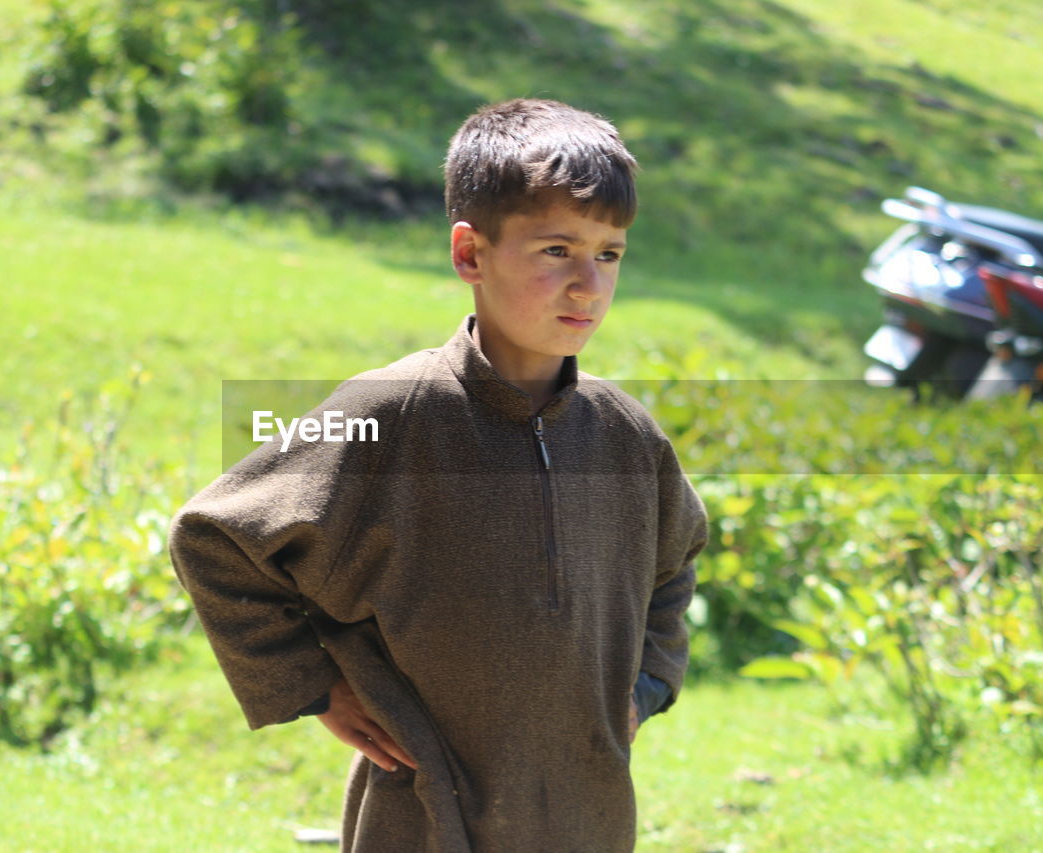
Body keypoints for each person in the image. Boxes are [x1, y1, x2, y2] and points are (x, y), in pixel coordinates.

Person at [169, 98, 709, 852]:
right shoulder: (385, 413)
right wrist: (311, 684)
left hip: (586, 811)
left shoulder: (626, 437)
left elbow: (675, 561)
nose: (588, 283)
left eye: (609, 253)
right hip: (421, 810)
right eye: (556, 250)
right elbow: (214, 538)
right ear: (469, 254)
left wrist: (645, 685)